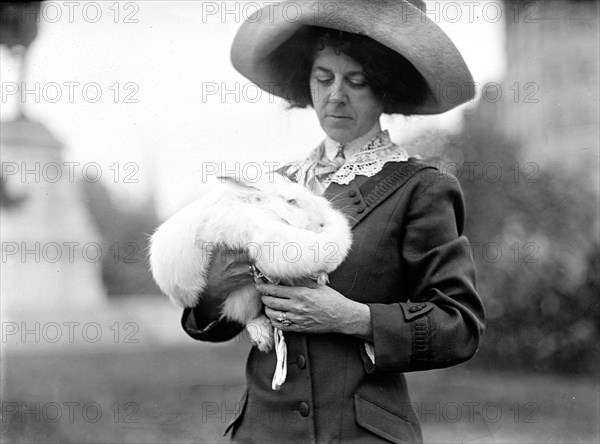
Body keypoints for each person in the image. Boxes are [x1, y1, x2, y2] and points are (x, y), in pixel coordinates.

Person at [181, 1, 485, 442]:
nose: (335, 95)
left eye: (356, 81)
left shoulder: (421, 188)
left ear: (386, 88)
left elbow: (459, 326)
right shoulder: (275, 187)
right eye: (323, 79)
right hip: (263, 431)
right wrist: (216, 288)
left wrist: (353, 317)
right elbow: (214, 321)